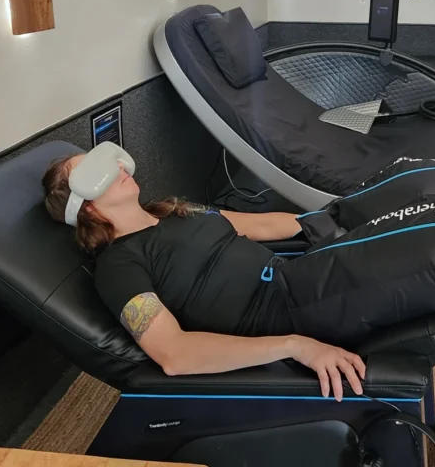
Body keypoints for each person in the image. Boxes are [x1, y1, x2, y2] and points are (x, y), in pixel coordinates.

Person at [43, 153, 366, 402]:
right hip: (292, 315)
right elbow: (173, 353)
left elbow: (261, 226)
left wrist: (339, 223)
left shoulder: (172, 211)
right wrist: (295, 346)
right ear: (84, 208)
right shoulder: (118, 266)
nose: (117, 167)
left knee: (399, 196)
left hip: (308, 276)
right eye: (97, 174)